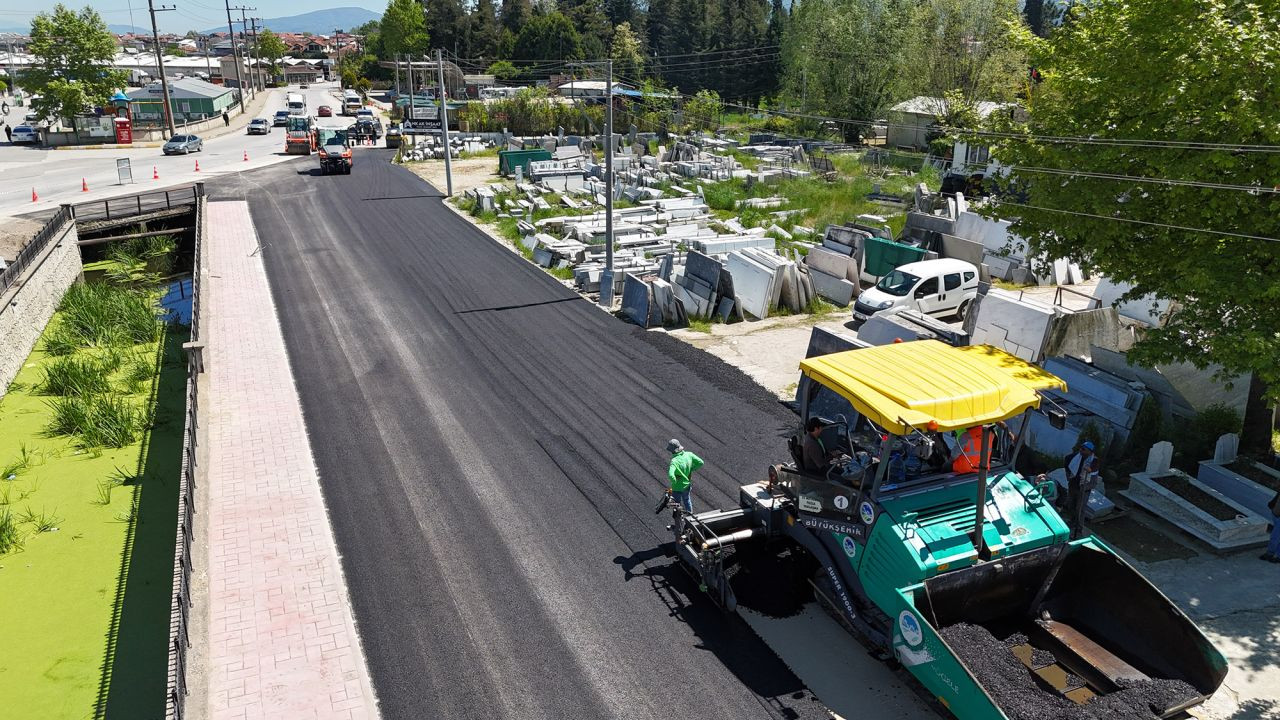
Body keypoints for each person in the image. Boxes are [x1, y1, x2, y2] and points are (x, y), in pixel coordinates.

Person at [1063, 441, 1101, 539]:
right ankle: (1072, 522)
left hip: (1084, 489)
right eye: (1081, 448)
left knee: (1080, 509)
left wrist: (1089, 469)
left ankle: (1078, 529)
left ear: (1090, 451)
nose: (1081, 450)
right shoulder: (1076, 457)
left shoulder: (1094, 461)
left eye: (1084, 449)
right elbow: (1067, 460)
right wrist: (1068, 474)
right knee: (1071, 505)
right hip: (1073, 485)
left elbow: (1093, 473)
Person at [666, 439, 703, 513]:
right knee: (687, 500)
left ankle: (678, 518)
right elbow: (701, 462)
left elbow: (671, 475)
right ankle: (690, 515)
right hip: (687, 485)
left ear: (672, 450)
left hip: (677, 488)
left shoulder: (674, 461)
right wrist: (692, 469)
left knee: (676, 503)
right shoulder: (689, 454)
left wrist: (675, 481)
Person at [1261, 490, 1280, 563]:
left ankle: (1271, 554)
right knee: (1276, 536)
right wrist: (1272, 504)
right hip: (1276, 513)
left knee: (1275, 536)